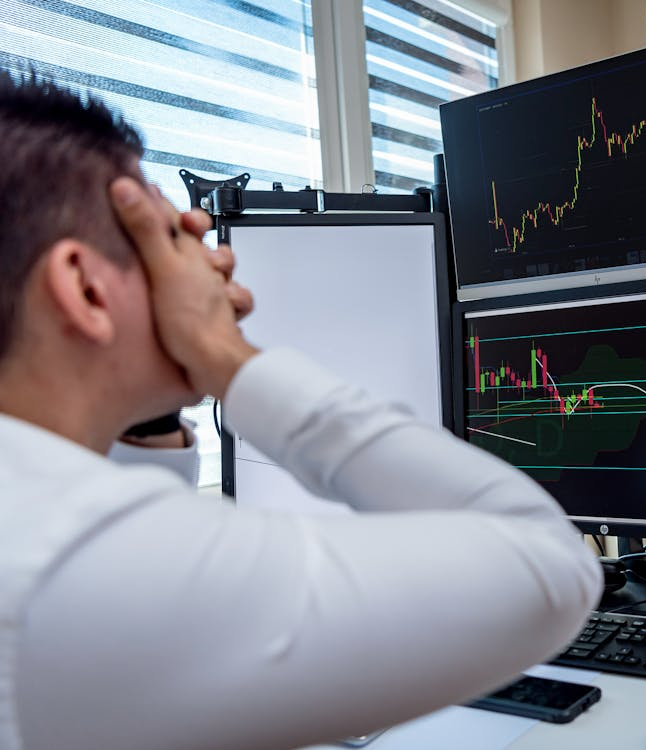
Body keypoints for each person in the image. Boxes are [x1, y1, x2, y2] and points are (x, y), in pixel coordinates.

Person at [0, 71, 602, 750]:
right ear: (85, 288)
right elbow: (550, 566)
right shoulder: (78, 563)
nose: (214, 258)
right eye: (170, 241)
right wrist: (227, 357)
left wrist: (144, 419)